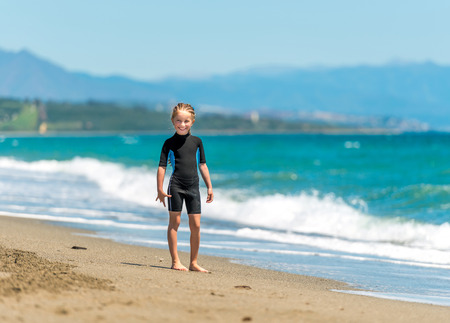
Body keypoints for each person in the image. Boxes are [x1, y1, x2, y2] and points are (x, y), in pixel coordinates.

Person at [156, 103, 214, 273]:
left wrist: (209, 186)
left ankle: (193, 262)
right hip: (176, 186)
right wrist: (160, 189)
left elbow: (202, 165)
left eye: (186, 121)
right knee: (175, 222)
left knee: (195, 225)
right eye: (178, 121)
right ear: (173, 121)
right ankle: (175, 261)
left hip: (193, 187)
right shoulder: (169, 143)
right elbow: (161, 167)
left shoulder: (197, 142)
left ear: (192, 121)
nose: (182, 124)